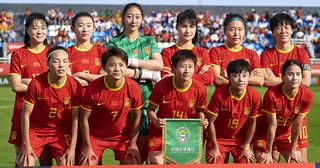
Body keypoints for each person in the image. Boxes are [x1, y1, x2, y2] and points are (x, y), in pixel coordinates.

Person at [107, 2, 163, 163]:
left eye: (137, 16)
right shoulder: (115, 42)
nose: (133, 20)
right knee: (127, 156)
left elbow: (159, 65)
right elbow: (117, 72)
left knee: (144, 150)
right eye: (129, 16)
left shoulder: (148, 41)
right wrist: (148, 74)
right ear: (123, 18)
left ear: (142, 19)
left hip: (146, 100)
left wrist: (131, 62)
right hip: (121, 100)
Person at [260, 13, 312, 162]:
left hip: (296, 116)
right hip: (274, 113)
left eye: (286, 27)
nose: (283, 31)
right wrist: (289, 80)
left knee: (301, 160)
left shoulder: (301, 53)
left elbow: (306, 82)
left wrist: (275, 79)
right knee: (272, 160)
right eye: (279, 27)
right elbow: (264, 81)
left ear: (292, 30)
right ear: (273, 31)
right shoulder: (267, 54)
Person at [18, 46, 82, 166]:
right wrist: (26, 144)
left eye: (64, 61)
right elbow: (25, 115)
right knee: (25, 163)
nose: (61, 65)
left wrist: (72, 148)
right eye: (56, 61)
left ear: (69, 63)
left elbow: (75, 119)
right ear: (48, 63)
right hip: (36, 131)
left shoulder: (74, 85)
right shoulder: (36, 83)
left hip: (60, 132)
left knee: (67, 163)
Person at [79, 47, 142, 165]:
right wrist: (87, 147)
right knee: (87, 163)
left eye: (121, 65)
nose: (117, 69)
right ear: (104, 67)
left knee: (132, 161)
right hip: (96, 136)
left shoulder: (133, 87)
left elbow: (138, 116)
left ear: (126, 67)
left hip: (122, 136)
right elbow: (83, 118)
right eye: (112, 65)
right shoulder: (93, 88)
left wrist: (133, 143)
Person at [147, 50, 208, 164]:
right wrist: (156, 121)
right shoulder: (161, 85)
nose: (186, 70)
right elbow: (150, 109)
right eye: (182, 66)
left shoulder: (200, 88)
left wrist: (203, 121)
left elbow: (200, 110)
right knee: (156, 163)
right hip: (161, 133)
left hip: (186, 134)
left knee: (193, 164)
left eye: (190, 67)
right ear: (174, 68)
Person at [8, 13, 51, 165]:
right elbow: (16, 85)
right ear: (27, 30)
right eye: (35, 27)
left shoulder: (53, 53)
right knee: (23, 160)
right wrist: (43, 85)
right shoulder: (19, 54)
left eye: (43, 27)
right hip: (23, 112)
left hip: (47, 115)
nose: (39, 31)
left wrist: (31, 82)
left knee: (46, 160)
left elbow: (60, 85)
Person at [253, 60, 314, 163]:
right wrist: (268, 151)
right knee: (265, 162)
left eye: (298, 74)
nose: (295, 78)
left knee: (296, 162)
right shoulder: (271, 94)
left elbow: (297, 124)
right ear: (282, 77)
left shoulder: (307, 95)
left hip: (285, 134)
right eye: (290, 74)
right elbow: (272, 125)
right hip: (264, 132)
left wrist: (293, 149)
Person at [206, 59, 261, 164]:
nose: (241, 80)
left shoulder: (255, 96)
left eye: (244, 76)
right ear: (229, 77)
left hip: (241, 140)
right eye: (236, 76)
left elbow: (253, 123)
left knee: (246, 162)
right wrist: (214, 146)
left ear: (249, 77)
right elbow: (211, 122)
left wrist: (247, 146)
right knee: (214, 162)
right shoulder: (219, 95)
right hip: (218, 139)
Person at [209, 13, 263, 88]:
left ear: (245, 31)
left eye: (240, 29)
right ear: (224, 31)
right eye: (232, 29)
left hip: (246, 98)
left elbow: (259, 81)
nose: (236, 33)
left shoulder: (252, 54)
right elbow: (217, 79)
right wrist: (247, 77)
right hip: (222, 98)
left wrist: (228, 77)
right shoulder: (216, 51)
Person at [161, 9, 213, 85]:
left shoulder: (203, 52)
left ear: (196, 29)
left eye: (191, 27)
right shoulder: (167, 52)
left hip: (196, 96)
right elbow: (165, 77)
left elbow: (209, 78)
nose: (188, 31)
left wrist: (176, 75)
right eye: (184, 26)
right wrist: (198, 75)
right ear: (177, 28)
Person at [67, 12, 107, 88]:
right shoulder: (66, 53)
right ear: (72, 28)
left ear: (94, 29)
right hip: (75, 98)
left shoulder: (103, 52)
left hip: (97, 97)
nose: (85, 29)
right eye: (80, 26)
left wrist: (81, 75)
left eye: (89, 26)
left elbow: (106, 79)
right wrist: (95, 79)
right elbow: (68, 81)